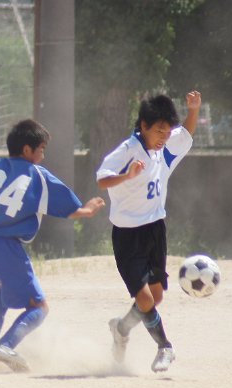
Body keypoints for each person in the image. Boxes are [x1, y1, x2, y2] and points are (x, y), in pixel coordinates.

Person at [0, 119, 105, 372]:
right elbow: (70, 209)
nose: (43, 156)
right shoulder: (37, 174)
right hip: (4, 248)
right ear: (27, 150)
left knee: (4, 289)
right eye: (41, 149)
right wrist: (87, 210)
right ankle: (5, 345)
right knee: (39, 306)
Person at [96, 90, 201, 372]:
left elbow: (185, 135)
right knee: (144, 299)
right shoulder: (127, 150)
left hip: (155, 230)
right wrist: (126, 175)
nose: (164, 136)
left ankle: (121, 328)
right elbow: (102, 180)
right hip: (127, 236)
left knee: (155, 297)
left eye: (167, 131)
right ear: (143, 126)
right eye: (159, 131)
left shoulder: (163, 148)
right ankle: (165, 346)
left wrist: (193, 110)